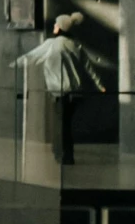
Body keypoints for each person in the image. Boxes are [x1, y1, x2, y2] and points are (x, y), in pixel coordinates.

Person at [16, 12, 106, 166]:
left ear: (61, 27)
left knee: (60, 125)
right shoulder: (75, 45)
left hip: (59, 91)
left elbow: (31, 57)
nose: (54, 26)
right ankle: (66, 154)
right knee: (66, 125)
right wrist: (100, 85)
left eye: (56, 24)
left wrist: (13, 64)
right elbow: (89, 68)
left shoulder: (52, 44)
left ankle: (62, 155)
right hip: (75, 92)